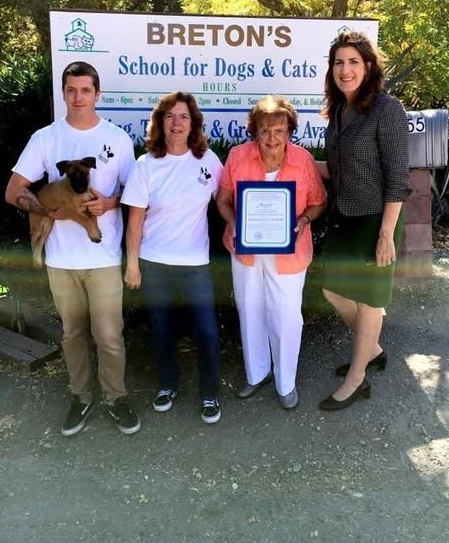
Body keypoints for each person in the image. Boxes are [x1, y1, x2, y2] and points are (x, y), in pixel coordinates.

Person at [5, 61, 140, 436]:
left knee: (110, 336)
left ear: (97, 94)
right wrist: (48, 210)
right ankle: (81, 397)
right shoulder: (46, 139)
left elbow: (134, 193)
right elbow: (13, 191)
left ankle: (116, 399)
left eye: (85, 90)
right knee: (72, 334)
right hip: (61, 261)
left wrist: (109, 205)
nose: (78, 97)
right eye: (71, 90)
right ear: (63, 93)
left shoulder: (118, 139)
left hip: (103, 258)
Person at [317, 30, 410, 411]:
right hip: (345, 216)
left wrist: (386, 233)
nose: (345, 69)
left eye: (353, 61)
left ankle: (357, 380)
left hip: (377, 220)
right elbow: (338, 168)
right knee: (333, 290)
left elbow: (398, 178)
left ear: (369, 66)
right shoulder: (340, 110)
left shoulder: (387, 109)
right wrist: (297, 163)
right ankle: (371, 349)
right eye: (339, 62)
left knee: (369, 301)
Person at [216, 95, 327, 409]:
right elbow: (223, 200)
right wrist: (233, 221)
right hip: (245, 249)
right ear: (255, 131)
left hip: (289, 253)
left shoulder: (303, 160)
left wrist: (304, 220)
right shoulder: (238, 157)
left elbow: (319, 203)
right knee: (250, 310)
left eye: (279, 130)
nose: (272, 138)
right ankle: (257, 374)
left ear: (289, 130)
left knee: (287, 316)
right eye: (265, 131)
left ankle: (285, 382)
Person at [122, 92, 223, 424]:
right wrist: (133, 264)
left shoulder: (208, 160)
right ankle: (167, 385)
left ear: (193, 123)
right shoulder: (146, 164)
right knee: (162, 330)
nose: (177, 123)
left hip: (196, 265)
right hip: (155, 263)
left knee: (207, 332)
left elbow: (229, 199)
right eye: (170, 116)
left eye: (184, 116)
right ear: (160, 123)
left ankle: (210, 393)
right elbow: (135, 220)